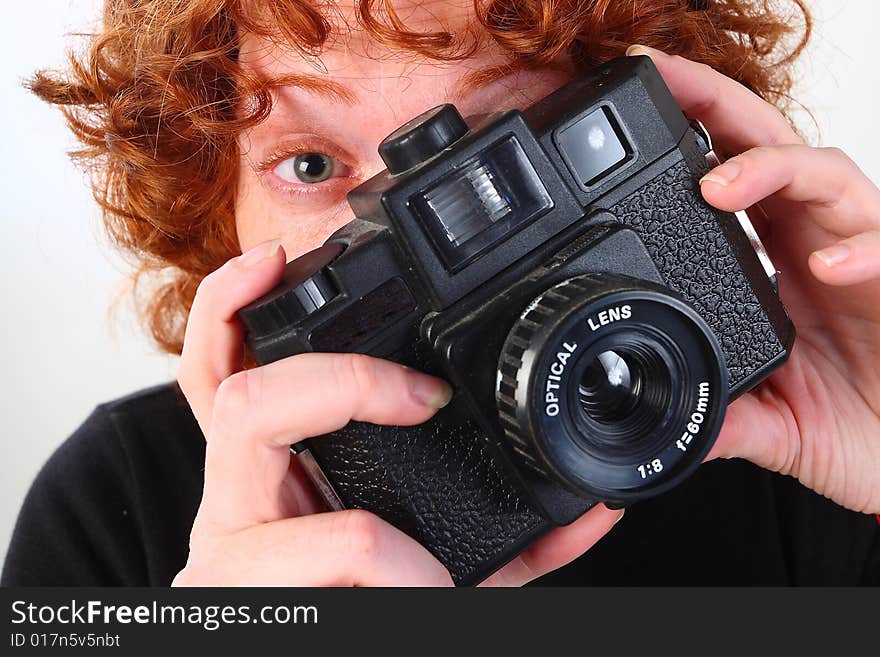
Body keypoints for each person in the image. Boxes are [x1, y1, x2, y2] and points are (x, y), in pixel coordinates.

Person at [3, 0, 879, 587]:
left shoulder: (789, 444)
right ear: (216, 213)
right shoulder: (115, 508)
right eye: (311, 165)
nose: (417, 212)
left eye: (501, 134)